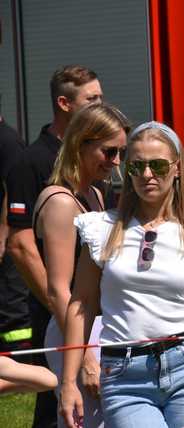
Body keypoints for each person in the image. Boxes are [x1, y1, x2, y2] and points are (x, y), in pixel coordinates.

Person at [59, 122, 184, 428]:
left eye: (158, 165)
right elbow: (82, 303)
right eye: (137, 166)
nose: (147, 174)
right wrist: (68, 380)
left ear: (176, 169)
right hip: (124, 373)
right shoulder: (100, 229)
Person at [5, 64, 103, 428]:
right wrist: (59, 304)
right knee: (56, 401)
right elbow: (20, 245)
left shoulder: (92, 162)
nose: (99, 106)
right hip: (54, 307)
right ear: (64, 103)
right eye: (91, 99)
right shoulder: (30, 161)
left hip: (86, 305)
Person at [34, 103, 129, 427]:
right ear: (80, 143)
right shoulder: (61, 201)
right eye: (109, 151)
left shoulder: (94, 194)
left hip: (96, 326)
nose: (116, 162)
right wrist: (84, 355)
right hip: (72, 331)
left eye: (121, 153)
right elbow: (58, 288)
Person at [0, 116, 31, 363]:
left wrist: (3, 235)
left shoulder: (7, 141)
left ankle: (19, 357)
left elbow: (11, 191)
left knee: (12, 300)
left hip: (10, 234)